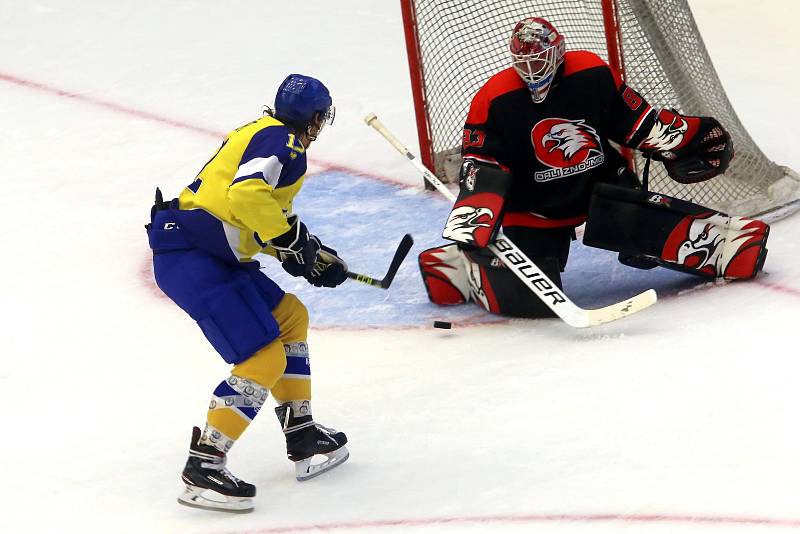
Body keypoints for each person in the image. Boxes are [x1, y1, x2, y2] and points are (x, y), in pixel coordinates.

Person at [419, 17, 769, 318]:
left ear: (558, 53)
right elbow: (482, 168)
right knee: (529, 302)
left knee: (641, 228)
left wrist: (689, 138)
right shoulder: (493, 99)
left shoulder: (591, 73)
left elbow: (638, 123)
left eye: (538, 60)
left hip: (598, 187)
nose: (530, 71)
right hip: (531, 209)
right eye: (522, 63)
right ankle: (463, 269)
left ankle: (725, 246)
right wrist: (472, 230)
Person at [146, 74, 350, 513]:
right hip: (193, 258)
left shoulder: (259, 131)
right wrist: (291, 240)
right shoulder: (288, 145)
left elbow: (243, 211)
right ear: (314, 119)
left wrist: (306, 251)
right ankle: (203, 467)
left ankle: (302, 432)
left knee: (291, 316)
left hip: (205, 252)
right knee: (263, 358)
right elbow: (246, 196)